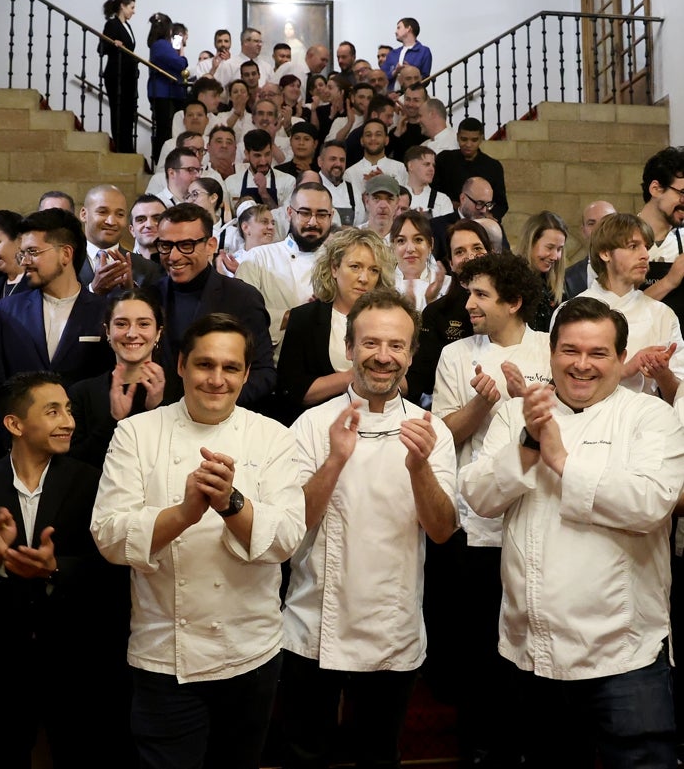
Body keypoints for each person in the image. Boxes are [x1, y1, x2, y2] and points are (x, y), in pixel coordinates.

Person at [461, 296, 684, 769]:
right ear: (552, 354)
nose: (582, 365)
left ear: (621, 359)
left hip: (624, 654)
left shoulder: (650, 417)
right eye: (569, 351)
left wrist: (561, 460)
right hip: (531, 650)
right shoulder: (516, 415)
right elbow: (479, 500)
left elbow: (650, 503)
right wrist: (527, 445)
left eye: (598, 353)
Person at [91, 314, 306, 769]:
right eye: (205, 365)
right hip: (163, 655)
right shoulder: (136, 433)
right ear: (182, 366)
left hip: (251, 651)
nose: (216, 379)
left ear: (247, 374)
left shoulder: (274, 438)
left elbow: (286, 539)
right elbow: (108, 535)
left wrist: (230, 503)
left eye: (230, 368)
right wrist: (185, 513)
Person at [281, 287, 458, 769]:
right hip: (313, 624)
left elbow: (442, 532)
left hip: (392, 625)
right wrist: (336, 460)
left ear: (411, 354)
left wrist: (420, 466)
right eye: (372, 344)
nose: (384, 357)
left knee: (379, 757)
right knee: (305, 757)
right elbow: (289, 533)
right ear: (349, 349)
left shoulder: (432, 430)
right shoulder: (310, 427)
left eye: (397, 345)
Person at [0, 371, 132, 769]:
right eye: (53, 411)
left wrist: (55, 568)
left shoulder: (93, 482)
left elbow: (114, 568)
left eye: (69, 410)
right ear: (15, 424)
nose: (69, 421)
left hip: (79, 664)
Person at [431, 251, 550, 766]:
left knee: (534, 637)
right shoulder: (456, 355)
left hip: (542, 516)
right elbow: (443, 437)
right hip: (477, 524)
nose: (469, 303)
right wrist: (483, 403)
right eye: (468, 292)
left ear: (515, 301)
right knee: (480, 647)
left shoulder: (551, 349)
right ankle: (481, 748)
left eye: (481, 294)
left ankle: (532, 744)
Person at [0, 209, 113, 457]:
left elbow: (108, 384)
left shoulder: (104, 313)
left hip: (82, 452)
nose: (25, 261)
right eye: (22, 253)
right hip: (17, 449)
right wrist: (11, 437)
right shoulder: (9, 310)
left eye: (33, 252)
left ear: (66, 254)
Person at [152, 202, 276, 408]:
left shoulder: (242, 298)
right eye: (166, 245)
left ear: (211, 245)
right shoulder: (149, 296)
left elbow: (263, 374)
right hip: (162, 420)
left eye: (186, 245)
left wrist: (212, 402)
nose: (173, 256)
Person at [276, 227, 396, 424]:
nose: (364, 278)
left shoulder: (391, 319)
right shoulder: (304, 318)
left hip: (382, 424)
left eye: (373, 270)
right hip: (318, 427)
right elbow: (291, 390)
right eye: (355, 267)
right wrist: (355, 376)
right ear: (334, 268)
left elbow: (409, 385)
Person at [572, 212, 684, 402]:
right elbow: (565, 386)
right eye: (633, 246)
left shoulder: (663, 315)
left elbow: (678, 397)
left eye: (646, 247)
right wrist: (626, 370)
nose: (645, 255)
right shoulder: (573, 312)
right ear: (605, 253)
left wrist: (662, 374)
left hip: (649, 423)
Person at [69, 288, 165, 469]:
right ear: (107, 331)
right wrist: (114, 419)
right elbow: (75, 465)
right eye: (121, 324)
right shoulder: (82, 393)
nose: (131, 333)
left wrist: (158, 410)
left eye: (143, 324)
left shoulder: (180, 389)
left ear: (158, 332)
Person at [235, 182, 333, 356]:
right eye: (304, 213)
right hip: (271, 364)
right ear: (289, 213)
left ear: (331, 217)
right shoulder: (257, 258)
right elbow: (241, 316)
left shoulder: (340, 263)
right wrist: (295, 317)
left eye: (321, 214)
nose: (313, 222)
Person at [407, 219, 493, 405]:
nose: (470, 256)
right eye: (460, 251)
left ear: (491, 253)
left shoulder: (512, 307)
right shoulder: (435, 313)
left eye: (477, 248)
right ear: (451, 264)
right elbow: (420, 381)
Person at [78, 184, 161, 294]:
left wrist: (130, 291)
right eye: (102, 212)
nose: (111, 222)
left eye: (120, 214)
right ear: (84, 214)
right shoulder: (66, 262)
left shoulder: (148, 270)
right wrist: (93, 290)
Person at [639, 147, 684, 329]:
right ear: (656, 189)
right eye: (682, 193)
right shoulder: (616, 239)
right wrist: (669, 281)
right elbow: (612, 312)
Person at [433, 117, 510, 221]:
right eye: (464, 139)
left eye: (474, 140)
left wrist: (489, 215)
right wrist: (450, 203)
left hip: (480, 221)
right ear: (457, 137)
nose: (468, 144)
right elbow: (433, 192)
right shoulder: (444, 159)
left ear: (481, 138)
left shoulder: (493, 166)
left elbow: (501, 204)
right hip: (448, 219)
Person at [515, 210, 568, 332]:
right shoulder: (509, 283)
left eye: (559, 249)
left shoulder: (557, 288)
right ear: (530, 242)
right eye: (549, 247)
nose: (555, 256)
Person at [147, 12, 188, 165]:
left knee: (166, 129)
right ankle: (160, 162)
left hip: (166, 92)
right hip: (164, 93)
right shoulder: (161, 45)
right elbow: (179, 64)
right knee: (165, 130)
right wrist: (182, 56)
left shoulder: (160, 45)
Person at [99, 0, 138, 153]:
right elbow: (101, 48)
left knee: (128, 113)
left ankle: (128, 147)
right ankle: (122, 148)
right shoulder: (112, 24)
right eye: (132, 7)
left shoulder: (126, 25)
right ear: (122, 6)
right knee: (119, 111)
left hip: (128, 77)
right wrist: (113, 43)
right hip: (117, 75)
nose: (134, 11)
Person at [391, 210, 448, 311]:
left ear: (430, 244)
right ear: (392, 247)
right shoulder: (381, 287)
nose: (410, 249)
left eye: (418, 240)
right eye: (401, 241)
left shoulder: (448, 285)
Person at [564, 199, 617, 297]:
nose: (599, 228)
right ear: (583, 231)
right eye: (591, 223)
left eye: (606, 221)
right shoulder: (567, 279)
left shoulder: (637, 271)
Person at [215, 201, 276, 277]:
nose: (271, 227)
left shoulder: (281, 258)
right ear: (246, 228)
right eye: (264, 222)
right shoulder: (232, 263)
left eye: (273, 223)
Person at [381, 17, 433, 92]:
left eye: (399, 28)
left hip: (412, 95)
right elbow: (382, 76)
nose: (395, 32)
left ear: (408, 28)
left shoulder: (424, 51)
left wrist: (411, 71)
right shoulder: (392, 54)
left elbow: (426, 79)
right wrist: (395, 71)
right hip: (391, 98)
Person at [404, 145, 452, 216]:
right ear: (410, 166)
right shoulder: (395, 196)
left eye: (433, 165)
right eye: (426, 164)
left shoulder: (442, 200)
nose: (431, 169)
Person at [129, 194, 166, 260]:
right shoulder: (122, 267)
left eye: (157, 218)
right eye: (140, 220)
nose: (149, 225)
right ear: (132, 230)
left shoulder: (181, 264)